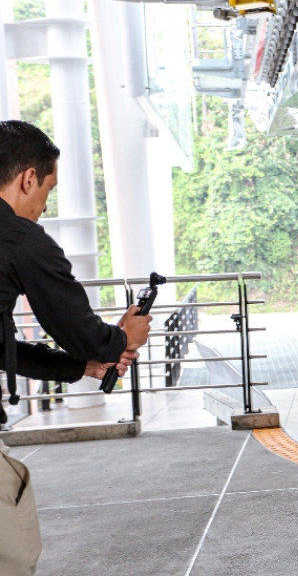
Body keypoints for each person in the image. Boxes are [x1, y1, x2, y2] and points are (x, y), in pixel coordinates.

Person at [0, 120, 152, 576]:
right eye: (48, 187)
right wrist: (124, 337)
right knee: (12, 553)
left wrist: (83, 367)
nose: (45, 205)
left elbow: (1, 347)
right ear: (29, 177)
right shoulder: (21, 240)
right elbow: (81, 330)